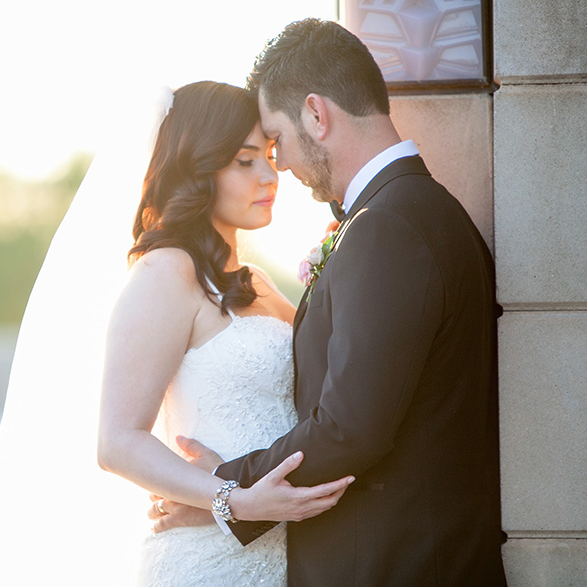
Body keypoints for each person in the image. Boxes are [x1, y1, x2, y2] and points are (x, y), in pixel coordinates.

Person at [159, 19, 508, 586]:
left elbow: (349, 427)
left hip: (395, 567)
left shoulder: (390, 226)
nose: (282, 164)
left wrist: (226, 490)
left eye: (277, 139)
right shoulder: (410, 211)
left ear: (317, 115)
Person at [96, 80, 354, 586]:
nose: (269, 174)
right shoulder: (166, 273)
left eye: (270, 155)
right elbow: (116, 441)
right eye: (244, 160)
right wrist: (231, 499)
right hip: (206, 566)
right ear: (198, 167)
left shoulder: (255, 282)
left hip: (284, 555)